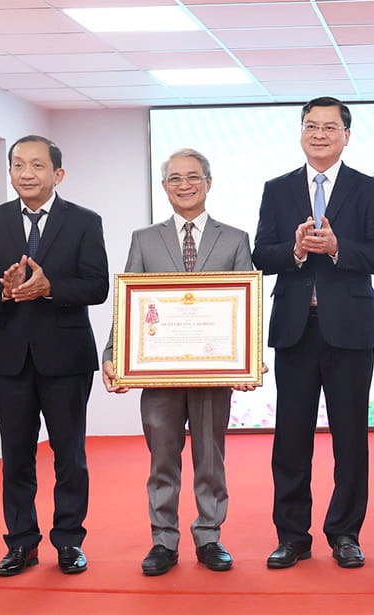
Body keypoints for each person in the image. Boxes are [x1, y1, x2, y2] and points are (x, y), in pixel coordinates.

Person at [252, 96, 374, 569]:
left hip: (350, 331)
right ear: (301, 132)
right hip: (295, 329)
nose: (319, 134)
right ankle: (292, 536)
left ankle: (345, 533)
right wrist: (294, 252)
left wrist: (337, 247)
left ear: (346, 136)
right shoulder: (277, 189)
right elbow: (261, 254)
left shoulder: (368, 189)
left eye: (329, 127)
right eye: (311, 125)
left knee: (350, 438)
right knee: (290, 439)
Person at [101, 149, 256, 575]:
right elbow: (128, 304)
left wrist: (250, 358)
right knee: (162, 461)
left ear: (208, 182)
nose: (184, 185)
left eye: (192, 177)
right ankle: (163, 542)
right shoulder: (144, 240)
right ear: (164, 186)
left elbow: (247, 305)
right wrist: (113, 355)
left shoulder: (235, 239)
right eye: (175, 178)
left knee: (211, 459)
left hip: (212, 374)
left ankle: (209, 537)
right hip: (160, 374)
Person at [0, 135, 109, 576]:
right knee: (16, 456)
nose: (26, 173)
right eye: (18, 165)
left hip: (67, 355)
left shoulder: (84, 221)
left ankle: (69, 541)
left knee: (70, 455)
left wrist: (50, 288)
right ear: (10, 172)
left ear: (57, 174)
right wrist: (2, 291)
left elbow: (97, 285)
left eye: (37, 165)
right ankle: (21, 543)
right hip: (10, 356)